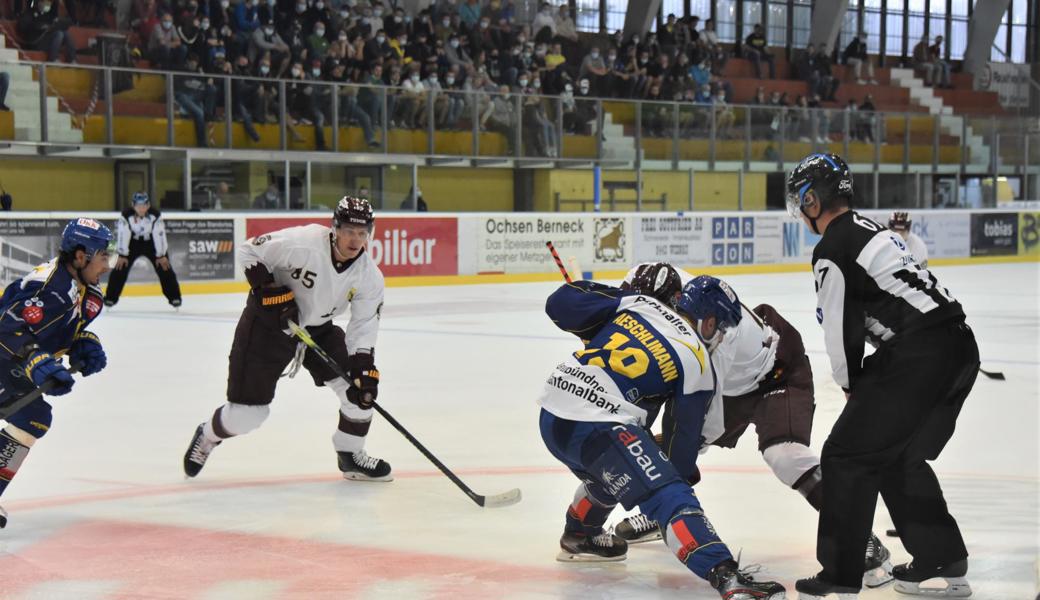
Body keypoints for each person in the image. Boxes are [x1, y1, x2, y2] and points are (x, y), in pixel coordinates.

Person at [613, 264, 894, 590]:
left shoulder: (712, 333)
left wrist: (674, 477)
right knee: (664, 444)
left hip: (777, 371)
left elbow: (696, 419)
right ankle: (656, 511)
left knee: (784, 456)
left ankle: (860, 536)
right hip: (731, 378)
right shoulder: (651, 281)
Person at [787, 153, 978, 599]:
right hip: (960, 347)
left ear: (813, 199)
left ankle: (840, 574)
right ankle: (942, 557)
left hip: (918, 357)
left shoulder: (832, 248)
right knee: (897, 456)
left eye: (802, 199)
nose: (801, 210)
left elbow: (839, 329)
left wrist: (853, 386)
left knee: (844, 455)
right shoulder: (873, 230)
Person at [537, 278, 785, 600]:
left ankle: (581, 534)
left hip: (553, 411)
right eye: (721, 329)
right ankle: (728, 578)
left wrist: (605, 309)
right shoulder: (697, 360)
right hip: (598, 423)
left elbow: (559, 304)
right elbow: (680, 455)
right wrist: (666, 476)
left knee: (620, 469)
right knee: (667, 490)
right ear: (708, 321)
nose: (720, 337)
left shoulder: (639, 303)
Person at [182, 197, 391, 482]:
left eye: (362, 232)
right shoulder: (302, 242)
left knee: (359, 392)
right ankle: (207, 435)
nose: (356, 240)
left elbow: (364, 326)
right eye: (349, 231)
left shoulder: (369, 276)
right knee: (247, 416)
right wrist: (270, 291)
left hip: (317, 328)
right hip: (267, 326)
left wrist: (363, 366)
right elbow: (249, 252)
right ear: (335, 228)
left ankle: (350, 454)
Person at [0, 219, 112, 528]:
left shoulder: (85, 289)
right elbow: (7, 329)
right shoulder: (51, 288)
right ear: (80, 256)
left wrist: (84, 344)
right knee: (31, 417)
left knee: (32, 418)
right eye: (102, 255)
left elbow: (62, 329)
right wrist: (34, 359)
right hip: (6, 356)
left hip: (12, 363)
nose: (106, 264)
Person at [103, 192, 182, 308]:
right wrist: (122, 254)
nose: (141, 208)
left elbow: (159, 235)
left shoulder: (155, 215)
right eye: (138, 205)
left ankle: (174, 297)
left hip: (151, 242)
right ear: (133, 205)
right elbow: (122, 235)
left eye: (144, 205)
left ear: (148, 205)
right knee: (120, 267)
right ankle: (110, 298)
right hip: (132, 242)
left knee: (165, 267)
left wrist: (161, 255)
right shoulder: (126, 215)